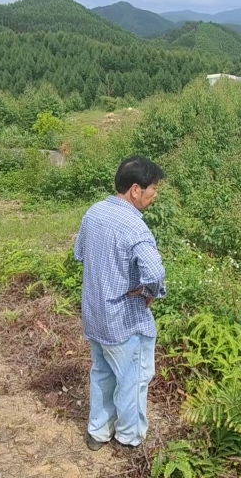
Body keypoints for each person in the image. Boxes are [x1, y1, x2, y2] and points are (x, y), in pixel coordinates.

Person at [74, 156, 167, 450]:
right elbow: (155, 273)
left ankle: (98, 432)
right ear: (136, 190)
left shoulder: (94, 213)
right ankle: (129, 437)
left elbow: (80, 254)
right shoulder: (135, 227)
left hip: (95, 314)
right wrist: (148, 292)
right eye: (154, 187)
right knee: (133, 378)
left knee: (102, 372)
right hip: (124, 320)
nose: (156, 194)